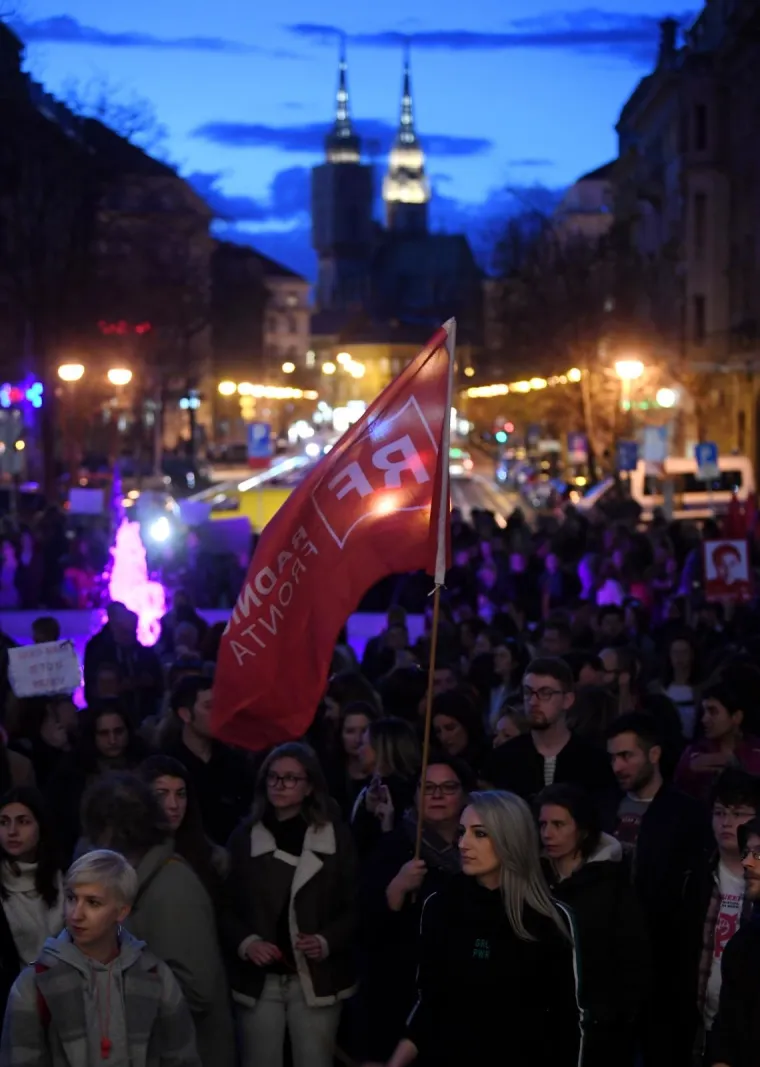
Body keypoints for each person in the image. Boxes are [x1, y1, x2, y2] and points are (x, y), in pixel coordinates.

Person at [380, 791, 583, 1067]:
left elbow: (566, 1023)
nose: (463, 843)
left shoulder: (548, 919)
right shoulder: (441, 906)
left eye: (480, 834)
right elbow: (429, 1003)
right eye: (462, 832)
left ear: (510, 838)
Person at [79, 772, 235, 1067]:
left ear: (114, 832)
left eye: (96, 836)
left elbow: (196, 992)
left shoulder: (173, 887)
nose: (90, 847)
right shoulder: (129, 881)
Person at [222, 743, 357, 1067]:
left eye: (291, 778)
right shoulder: (244, 838)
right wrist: (248, 943)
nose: (280, 785)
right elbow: (223, 906)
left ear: (309, 786)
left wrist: (325, 940)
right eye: (273, 777)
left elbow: (355, 906)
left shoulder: (335, 838)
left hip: (315, 976)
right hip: (260, 980)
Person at [0, 849, 200, 1067]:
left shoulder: (155, 977)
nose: (76, 914)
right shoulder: (34, 983)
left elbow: (181, 1058)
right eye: (71, 898)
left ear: (122, 911)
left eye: (93, 903)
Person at [605, 713, 709, 1067]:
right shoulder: (604, 807)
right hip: (608, 959)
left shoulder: (687, 814)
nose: (617, 766)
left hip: (663, 965)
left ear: (654, 754)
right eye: (613, 757)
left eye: (626, 755)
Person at [356, 756, 473, 1061]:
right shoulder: (394, 846)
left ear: (464, 794)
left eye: (448, 787)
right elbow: (364, 925)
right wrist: (394, 891)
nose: (437, 795)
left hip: (464, 990)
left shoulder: (479, 847)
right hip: (402, 990)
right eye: (428, 787)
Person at [537, 783, 650, 1067]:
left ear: (583, 829)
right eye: (543, 824)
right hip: (543, 1017)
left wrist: (613, 1016)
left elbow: (631, 956)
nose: (547, 833)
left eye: (558, 824)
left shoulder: (611, 884)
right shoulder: (535, 878)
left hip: (599, 1025)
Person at [695, 770, 759, 1064]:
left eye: (738, 813)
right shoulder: (694, 877)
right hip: (700, 1025)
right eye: (719, 812)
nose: (727, 822)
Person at [486, 656, 613, 801]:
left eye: (545, 693)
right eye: (528, 692)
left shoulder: (594, 761)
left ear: (567, 700)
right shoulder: (503, 759)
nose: (533, 701)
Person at [162, 675, 254, 846]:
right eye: (209, 707)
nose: (218, 714)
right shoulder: (165, 762)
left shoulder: (235, 761)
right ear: (185, 714)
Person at [0, 788, 64, 1015]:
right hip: (15, 1005)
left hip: (67, 997)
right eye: (4, 822)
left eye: (23, 822)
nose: (12, 831)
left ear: (40, 827)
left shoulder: (66, 877)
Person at [709, 818, 760, 1067]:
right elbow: (727, 1031)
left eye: (758, 854)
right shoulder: (744, 944)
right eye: (746, 853)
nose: (747, 862)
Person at [139, 755, 228, 896]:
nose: (174, 805)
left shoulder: (214, 858)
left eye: (180, 794)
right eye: (161, 794)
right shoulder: (128, 856)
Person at [674, 681, 760, 803]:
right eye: (704, 712)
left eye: (713, 712)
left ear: (736, 717)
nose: (704, 719)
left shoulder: (756, 752)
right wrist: (689, 774)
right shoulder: (693, 753)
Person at [351, 718, 420, 858]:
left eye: (363, 744)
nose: (358, 750)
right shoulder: (369, 788)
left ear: (381, 749)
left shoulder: (402, 794)